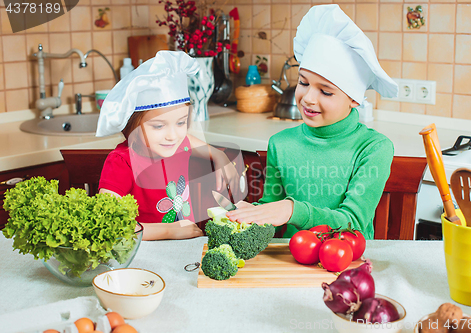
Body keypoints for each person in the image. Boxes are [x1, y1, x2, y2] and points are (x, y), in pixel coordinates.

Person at [226, 5, 398, 239]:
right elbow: (272, 213)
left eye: (325, 92)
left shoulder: (373, 148)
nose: (307, 98)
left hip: (346, 262)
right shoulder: (280, 143)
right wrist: (245, 216)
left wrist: (292, 210)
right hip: (292, 260)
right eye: (303, 82)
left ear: (354, 100)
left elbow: (353, 222)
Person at [96, 51, 239, 241]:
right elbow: (110, 224)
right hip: (143, 254)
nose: (172, 136)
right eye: (158, 126)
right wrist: (169, 231)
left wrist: (220, 157)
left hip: (183, 249)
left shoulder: (178, 144)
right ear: (133, 125)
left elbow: (191, 141)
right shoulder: (122, 161)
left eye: (180, 123)